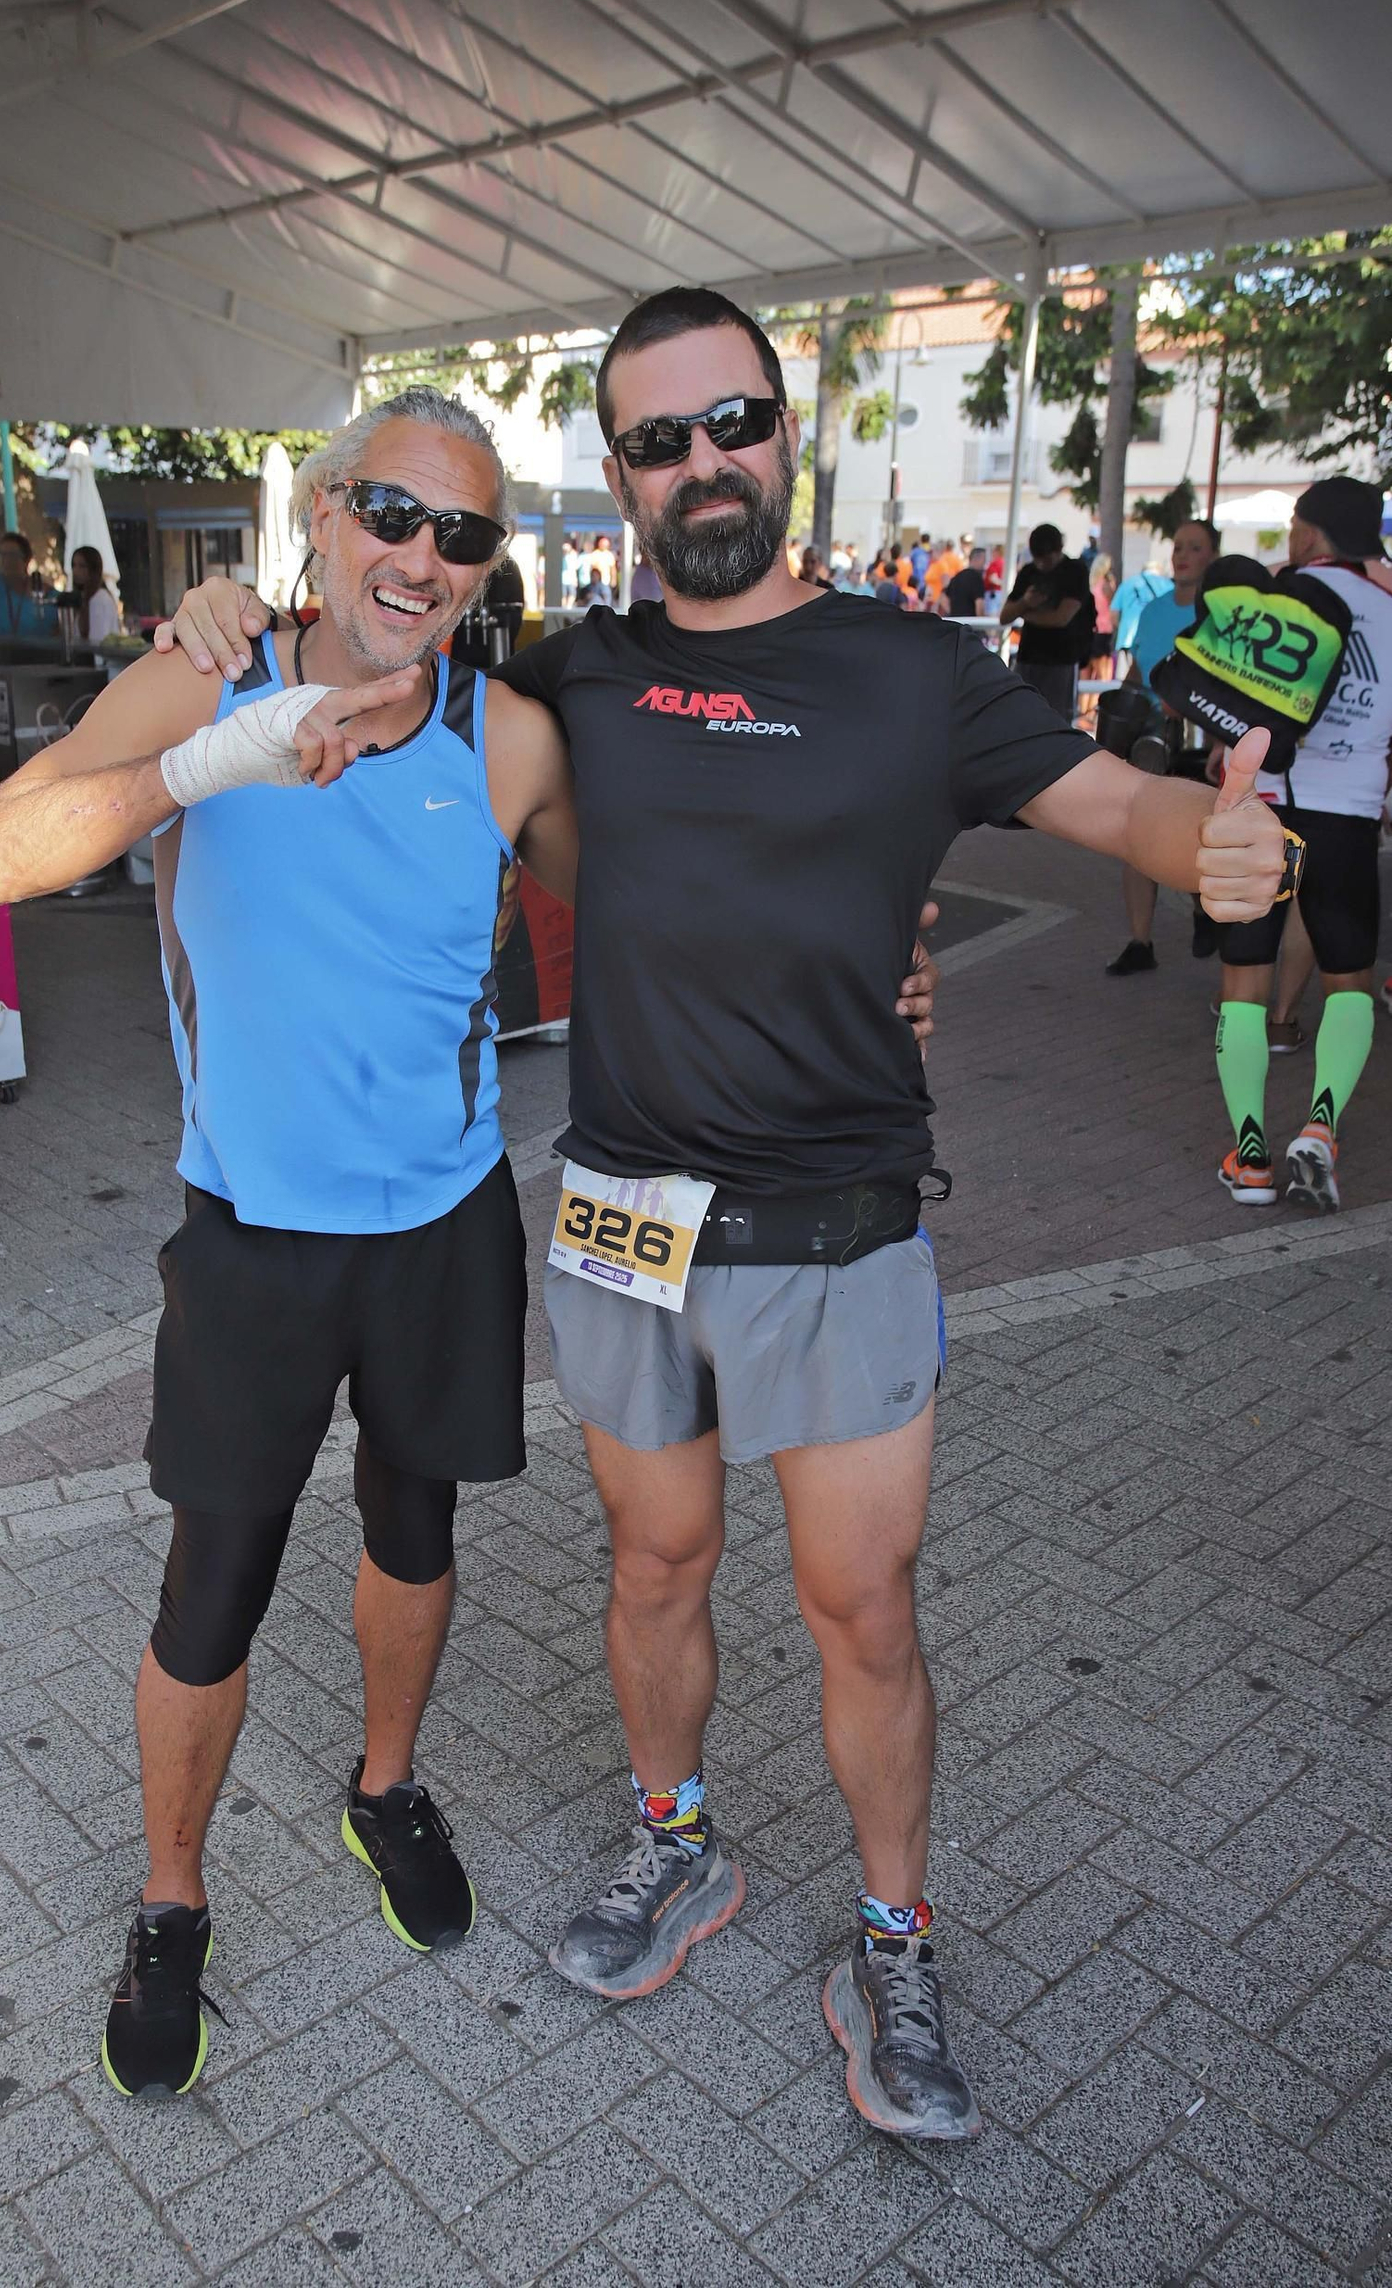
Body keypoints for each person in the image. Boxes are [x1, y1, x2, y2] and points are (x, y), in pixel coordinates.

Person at [158, 287, 1287, 2148]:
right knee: (654, 1569)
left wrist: (1212, 837)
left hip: (837, 1223)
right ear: (619, 472)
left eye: (733, 421)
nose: (703, 462)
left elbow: (1112, 805)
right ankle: (674, 1843)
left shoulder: (916, 668)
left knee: (862, 1607)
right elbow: (380, 655)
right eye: (659, 438)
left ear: (787, 435)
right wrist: (220, 622)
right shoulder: (569, 680)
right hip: (620, 1216)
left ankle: (896, 1935)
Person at [0, 388, 585, 2100]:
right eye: (392, 510)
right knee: (212, 1584)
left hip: (446, 1218)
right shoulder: (211, 669)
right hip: (254, 1233)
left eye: (464, 533)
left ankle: (384, 1782)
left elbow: (661, 898)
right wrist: (200, 759)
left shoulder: (504, 731)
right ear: (320, 509)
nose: (420, 556)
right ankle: (172, 1893)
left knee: (415, 1520)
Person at [1213, 475, 1392, 1214]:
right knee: (1349, 981)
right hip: (1350, 817)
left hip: (1264, 811)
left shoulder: (1273, 600)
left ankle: (1250, 1156)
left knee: (1244, 985)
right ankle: (1320, 1127)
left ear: (1311, 533)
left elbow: (1224, 703)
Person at [1102, 520, 1222, 977]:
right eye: (1178, 546)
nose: (1182, 555)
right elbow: (1137, 670)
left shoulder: (1219, 616)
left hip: (1198, 741)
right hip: (1149, 737)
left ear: (1212, 556)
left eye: (1195, 547)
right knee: (1135, 836)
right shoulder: (1152, 610)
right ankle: (1140, 942)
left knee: (1193, 835)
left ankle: (1201, 909)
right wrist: (1117, 709)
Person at [1000, 523, 1093, 720]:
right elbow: (1004, 616)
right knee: (1021, 717)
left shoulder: (1075, 571)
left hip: (1061, 661)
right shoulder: (1028, 572)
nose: (1042, 565)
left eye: (1047, 559)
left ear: (1059, 550)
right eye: (1038, 560)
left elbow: (1061, 618)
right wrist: (1025, 602)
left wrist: (1025, 613)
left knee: (1055, 721)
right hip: (1028, 657)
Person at [71, 545, 122, 642]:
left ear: (93, 569)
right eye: (74, 565)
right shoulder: (84, 598)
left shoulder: (100, 598)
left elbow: (99, 639)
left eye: (82, 566)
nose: (76, 571)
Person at [941, 544, 988, 621]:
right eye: (984, 560)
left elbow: (943, 598)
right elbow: (979, 605)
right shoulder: (977, 578)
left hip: (956, 622)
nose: (985, 564)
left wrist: (953, 613)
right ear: (977, 559)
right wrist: (982, 622)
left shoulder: (957, 577)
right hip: (971, 624)